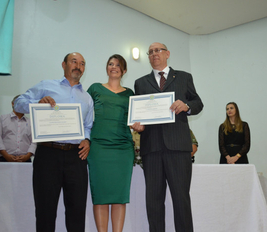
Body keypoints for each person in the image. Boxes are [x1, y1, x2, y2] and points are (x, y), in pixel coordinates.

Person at [14, 52, 94, 232]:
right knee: (45, 210)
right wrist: (37, 103)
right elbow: (19, 102)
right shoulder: (46, 85)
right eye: (74, 61)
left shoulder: (87, 98)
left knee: (77, 211)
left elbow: (88, 126)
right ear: (64, 64)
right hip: (48, 154)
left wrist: (87, 140)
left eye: (82, 64)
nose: (78, 66)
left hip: (76, 156)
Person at [132, 42, 203, 232]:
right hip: (151, 148)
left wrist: (186, 106)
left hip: (178, 147)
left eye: (158, 50)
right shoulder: (140, 82)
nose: (154, 54)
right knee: (153, 201)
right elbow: (138, 114)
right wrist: (137, 125)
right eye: (151, 52)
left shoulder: (184, 77)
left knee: (181, 198)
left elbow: (198, 103)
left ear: (167, 54)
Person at [87, 54, 134, 232]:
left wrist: (140, 126)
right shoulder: (95, 88)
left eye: (117, 65)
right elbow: (84, 113)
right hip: (98, 148)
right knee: (100, 195)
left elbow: (135, 120)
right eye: (110, 64)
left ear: (124, 70)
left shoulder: (130, 94)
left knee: (119, 196)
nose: (113, 67)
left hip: (122, 149)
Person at [0, 95, 36, 162]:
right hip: (5, 159)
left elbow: (34, 142)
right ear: (13, 103)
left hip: (25, 160)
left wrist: (27, 156)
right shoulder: (1, 119)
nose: (22, 106)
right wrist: (6, 156)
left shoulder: (31, 122)